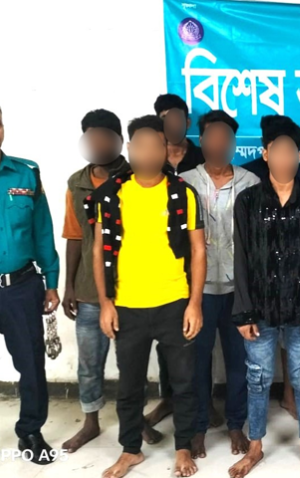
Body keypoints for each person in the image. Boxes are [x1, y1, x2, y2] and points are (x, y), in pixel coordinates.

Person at [87, 115, 205, 478]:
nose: (149, 152)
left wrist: (195, 304)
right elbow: (98, 251)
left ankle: (183, 447)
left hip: (174, 303)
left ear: (165, 149)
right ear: (130, 148)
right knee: (129, 385)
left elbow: (198, 250)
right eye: (141, 145)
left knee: (183, 382)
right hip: (127, 306)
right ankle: (130, 450)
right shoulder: (111, 195)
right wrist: (105, 303)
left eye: (156, 145)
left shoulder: (182, 193)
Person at [229, 115, 300, 478]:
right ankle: (255, 447)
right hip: (259, 308)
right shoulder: (248, 201)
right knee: (257, 379)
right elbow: (242, 258)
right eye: (278, 151)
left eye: (291, 152)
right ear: (266, 154)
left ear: (299, 156)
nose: (285, 159)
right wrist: (243, 312)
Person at [62, 109, 163, 452]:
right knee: (90, 361)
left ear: (121, 142)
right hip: (90, 290)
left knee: (132, 364)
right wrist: (69, 286)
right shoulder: (76, 183)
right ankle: (90, 421)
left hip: (131, 288)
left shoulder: (137, 175)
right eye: (92, 137)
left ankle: (135, 421)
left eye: (106, 137)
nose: (99, 143)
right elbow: (75, 236)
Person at [0, 101, 61, 475]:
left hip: (22, 287)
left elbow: (43, 231)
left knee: (31, 365)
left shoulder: (26, 173)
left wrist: (52, 282)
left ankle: (31, 433)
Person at [180, 110, 259, 460]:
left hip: (238, 288)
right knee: (197, 362)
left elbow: (257, 240)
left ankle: (235, 423)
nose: (220, 144)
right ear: (201, 141)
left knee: (239, 360)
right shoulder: (183, 182)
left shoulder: (250, 182)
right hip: (195, 291)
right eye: (213, 137)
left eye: (227, 138)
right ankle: (198, 426)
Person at [147, 93, 210, 429]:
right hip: (159, 269)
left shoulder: (201, 159)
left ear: (187, 122)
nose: (172, 124)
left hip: (196, 263)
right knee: (166, 341)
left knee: (198, 339)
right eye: (164, 118)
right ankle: (168, 398)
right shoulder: (148, 164)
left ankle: (202, 402)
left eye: (177, 118)